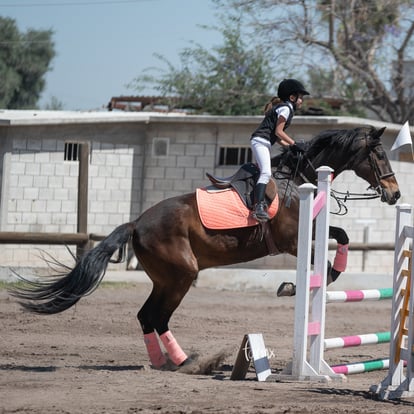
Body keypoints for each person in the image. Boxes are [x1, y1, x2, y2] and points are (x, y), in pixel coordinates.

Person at [250, 78, 310, 222]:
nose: (301, 101)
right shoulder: (286, 108)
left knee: (264, 172)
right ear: (292, 97)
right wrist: (294, 143)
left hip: (263, 142)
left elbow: (276, 137)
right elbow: (278, 132)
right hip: (260, 141)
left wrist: (290, 147)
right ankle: (258, 207)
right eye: (300, 97)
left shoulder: (284, 108)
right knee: (266, 172)